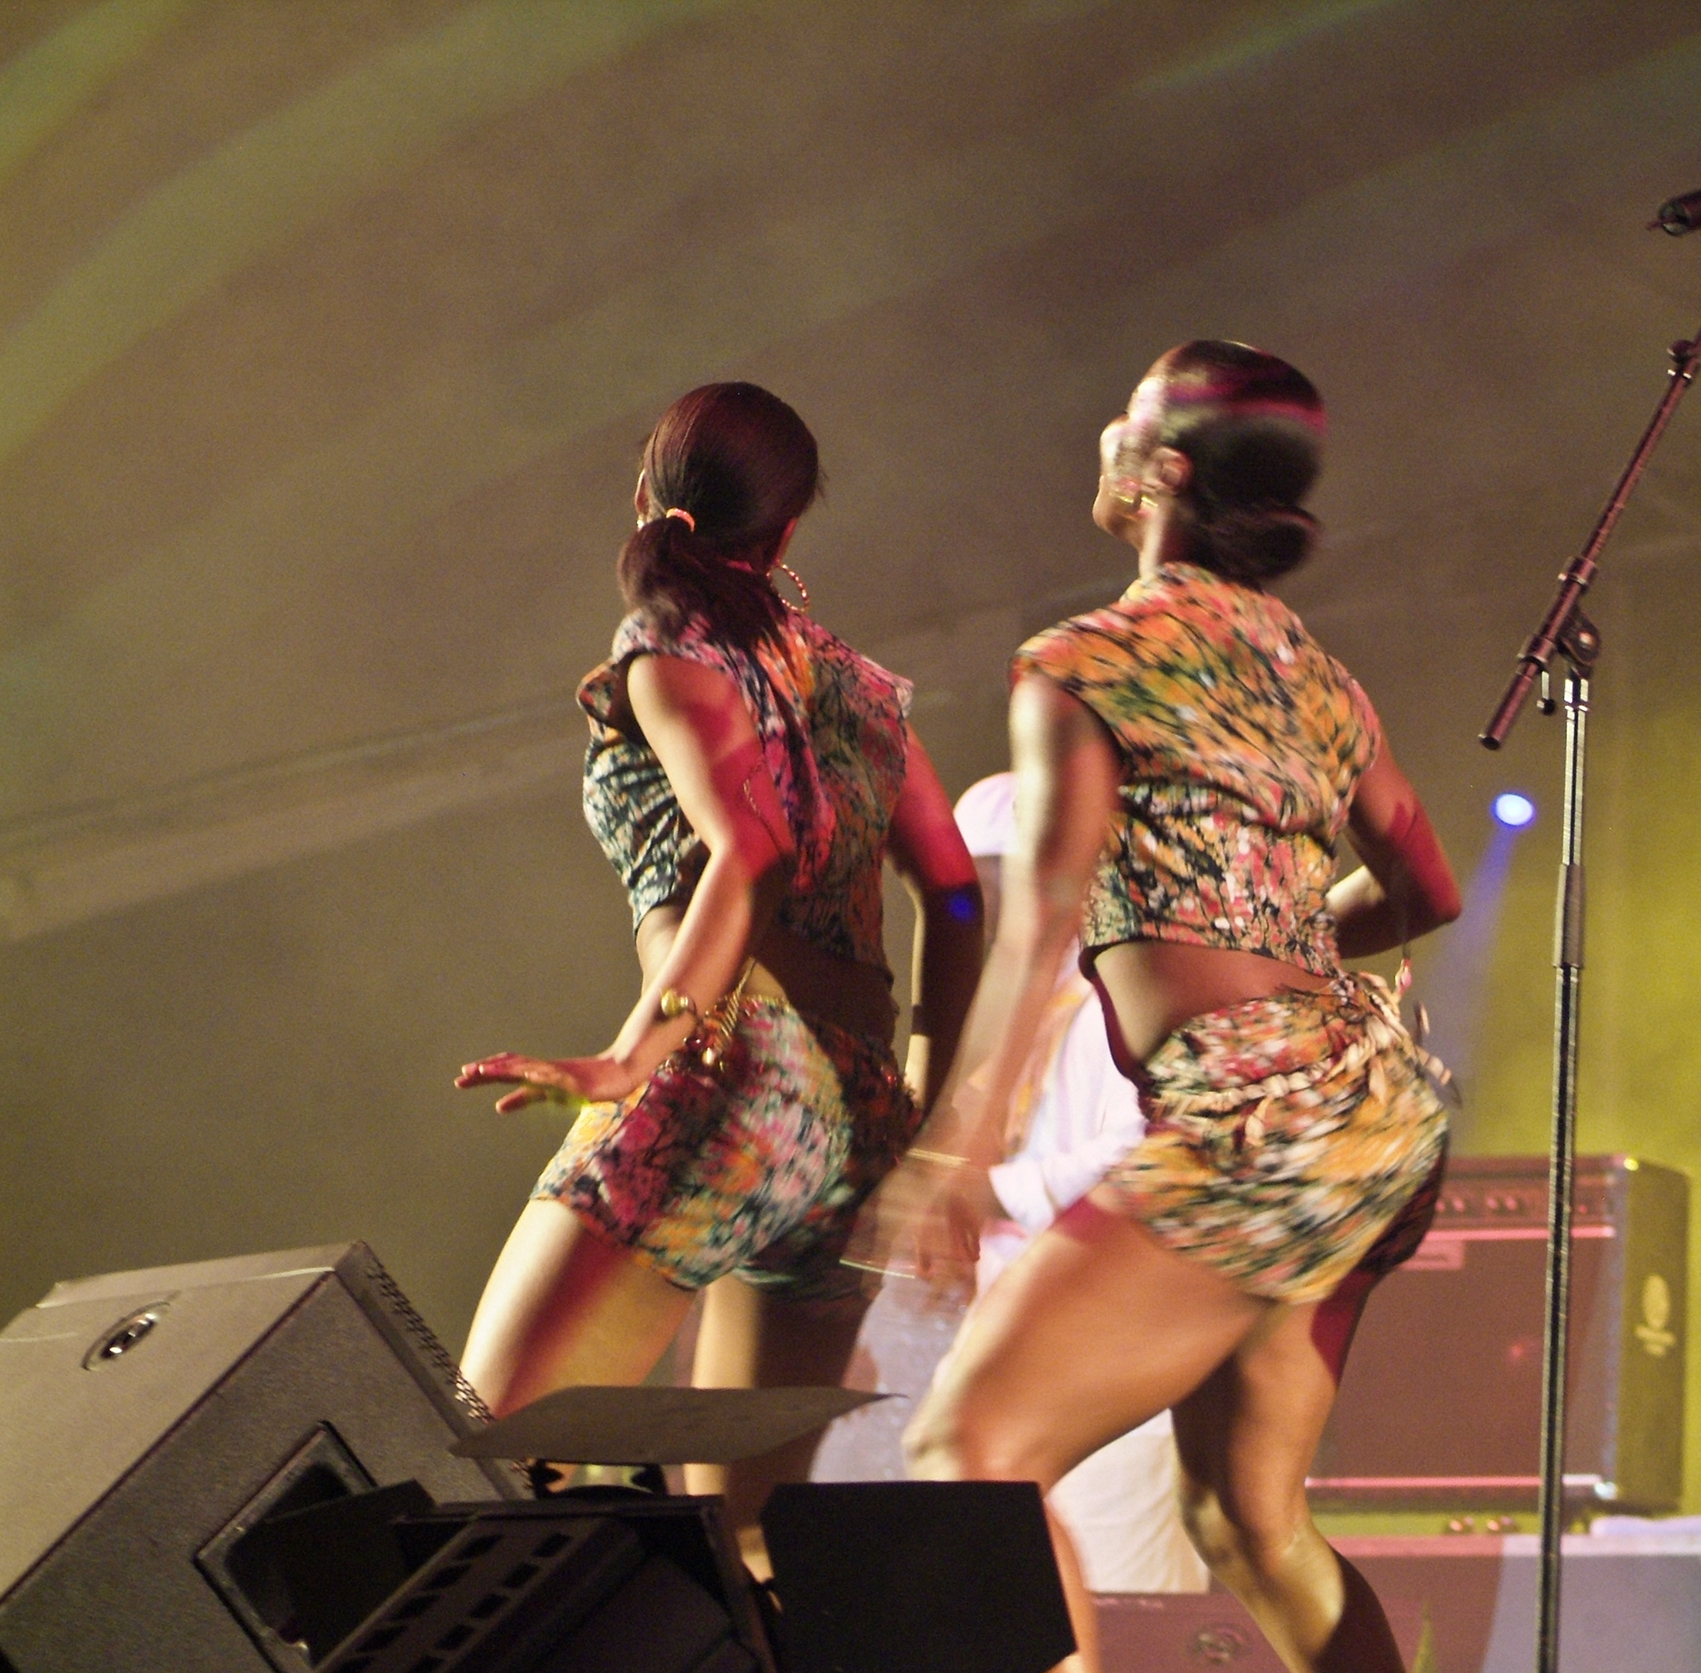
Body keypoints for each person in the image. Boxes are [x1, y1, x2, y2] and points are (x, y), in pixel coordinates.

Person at [869, 341, 1461, 1673]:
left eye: (1122, 417)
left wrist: (956, 1148)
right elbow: (1426, 886)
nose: (1101, 433)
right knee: (1250, 1523)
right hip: (1374, 1111)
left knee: (971, 1450)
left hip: (1262, 1115)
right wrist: (1293, 942)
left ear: (1163, 472)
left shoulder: (1087, 662)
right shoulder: (1312, 670)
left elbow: (1044, 919)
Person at [453, 381, 984, 1570]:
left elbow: (748, 850)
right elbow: (955, 895)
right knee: (746, 1550)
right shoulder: (857, 686)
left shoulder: (664, 644)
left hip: (729, 1069)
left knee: (489, 1457)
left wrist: (631, 1053)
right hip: (852, 1126)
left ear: (648, 492)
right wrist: (932, 1127)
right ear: (788, 534)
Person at [950, 770, 1210, 1595]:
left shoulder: (1120, 992)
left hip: (1110, 1355)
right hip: (1020, 1354)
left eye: (994, 884)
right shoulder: (1026, 1007)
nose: (979, 911)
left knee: (1125, 1603)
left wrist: (997, 1192)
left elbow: (1153, 1153)